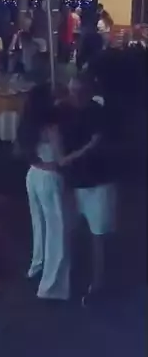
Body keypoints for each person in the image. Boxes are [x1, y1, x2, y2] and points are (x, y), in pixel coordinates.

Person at [58, 73, 117, 306]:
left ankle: (99, 284)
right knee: (71, 230)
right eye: (72, 91)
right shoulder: (64, 110)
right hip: (74, 181)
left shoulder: (98, 113)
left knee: (98, 235)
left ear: (89, 92)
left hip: (98, 182)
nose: (75, 96)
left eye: (79, 91)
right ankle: (75, 274)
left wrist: (69, 158)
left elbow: (96, 142)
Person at [17, 83, 71, 301]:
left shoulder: (27, 124)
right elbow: (61, 159)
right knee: (57, 231)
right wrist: (88, 147)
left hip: (33, 173)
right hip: (50, 176)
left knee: (39, 225)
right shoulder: (51, 126)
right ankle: (51, 285)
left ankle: (37, 266)